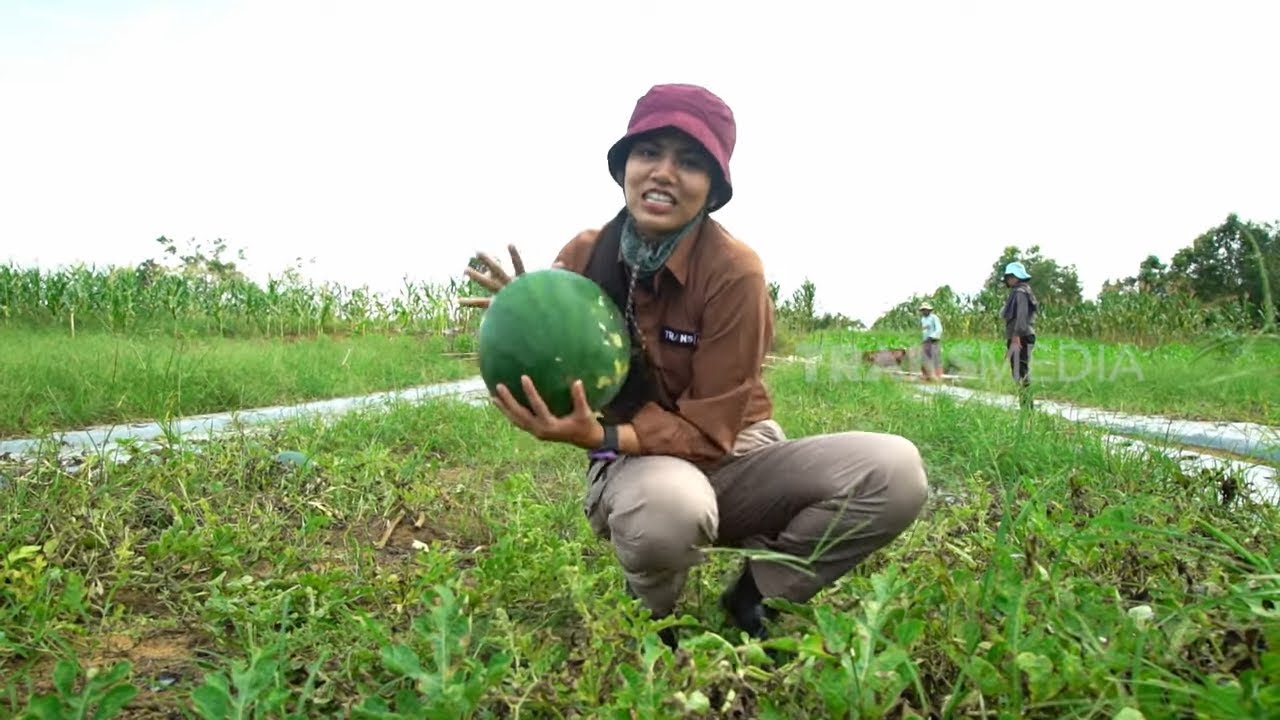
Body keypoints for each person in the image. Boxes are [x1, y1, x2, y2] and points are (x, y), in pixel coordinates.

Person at [460, 83, 929, 648]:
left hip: (735, 449)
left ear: (712, 187)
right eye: (648, 152)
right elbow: (559, 354)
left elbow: (712, 432)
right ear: (624, 167)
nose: (664, 172)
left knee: (894, 472)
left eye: (689, 161)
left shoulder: (734, 271)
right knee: (670, 507)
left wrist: (599, 434)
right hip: (637, 460)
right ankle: (654, 618)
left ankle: (757, 594)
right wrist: (528, 310)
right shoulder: (587, 254)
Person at [1001, 261, 1038, 406]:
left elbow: (1021, 316)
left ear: (1014, 277)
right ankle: (1026, 407)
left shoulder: (1020, 292)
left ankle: (1027, 408)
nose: (1007, 281)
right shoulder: (1023, 290)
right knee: (1019, 372)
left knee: (1020, 373)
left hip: (1021, 336)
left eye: (1009, 277)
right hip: (1021, 336)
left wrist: (1016, 338)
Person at [918, 302, 943, 381]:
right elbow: (924, 331)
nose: (924, 312)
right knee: (925, 358)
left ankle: (937, 376)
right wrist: (924, 340)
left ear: (929, 310)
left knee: (935, 358)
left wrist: (931, 337)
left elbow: (939, 329)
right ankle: (926, 375)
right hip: (926, 341)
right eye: (923, 310)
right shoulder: (923, 319)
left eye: (925, 310)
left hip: (933, 341)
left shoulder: (934, 318)